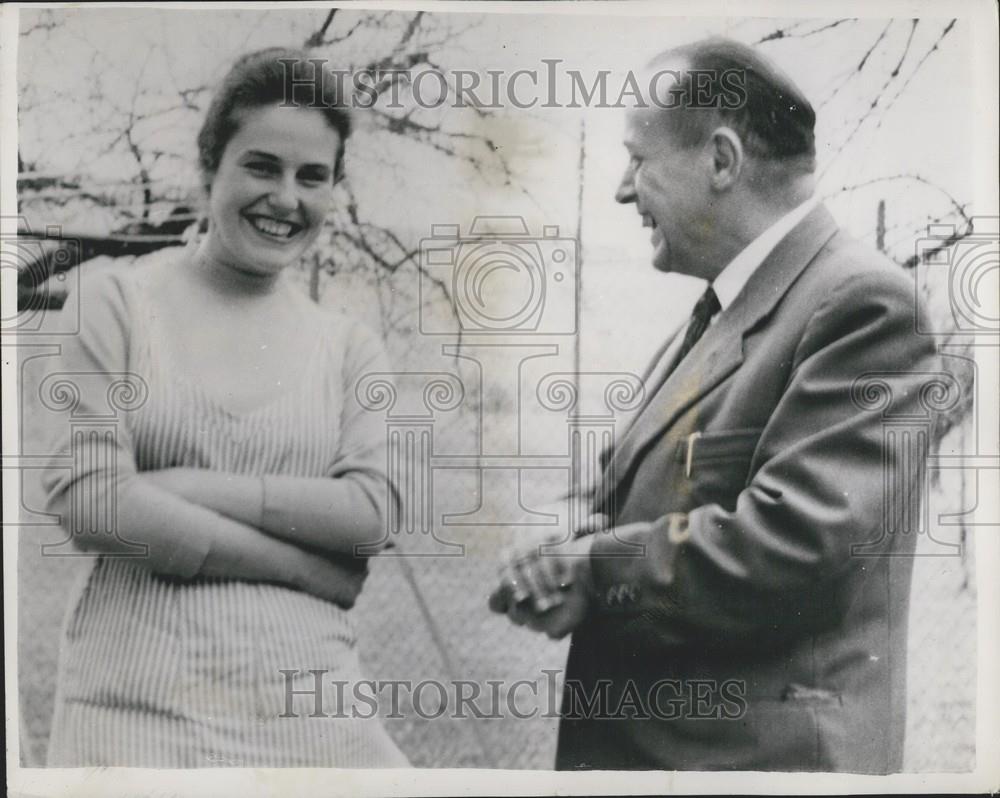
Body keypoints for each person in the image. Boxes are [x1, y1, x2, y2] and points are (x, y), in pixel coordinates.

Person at [489, 37, 940, 772]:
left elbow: (797, 541)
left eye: (638, 159)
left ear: (722, 161)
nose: (622, 190)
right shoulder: (715, 317)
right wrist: (564, 532)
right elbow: (633, 493)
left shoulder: (863, 305)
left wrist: (594, 568)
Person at [42, 48, 408, 767]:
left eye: (313, 177)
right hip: (136, 711)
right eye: (262, 166)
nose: (287, 198)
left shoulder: (348, 347)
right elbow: (88, 498)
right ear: (210, 167)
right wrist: (299, 568)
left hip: (313, 711)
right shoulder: (115, 300)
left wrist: (182, 488)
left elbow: (372, 513)